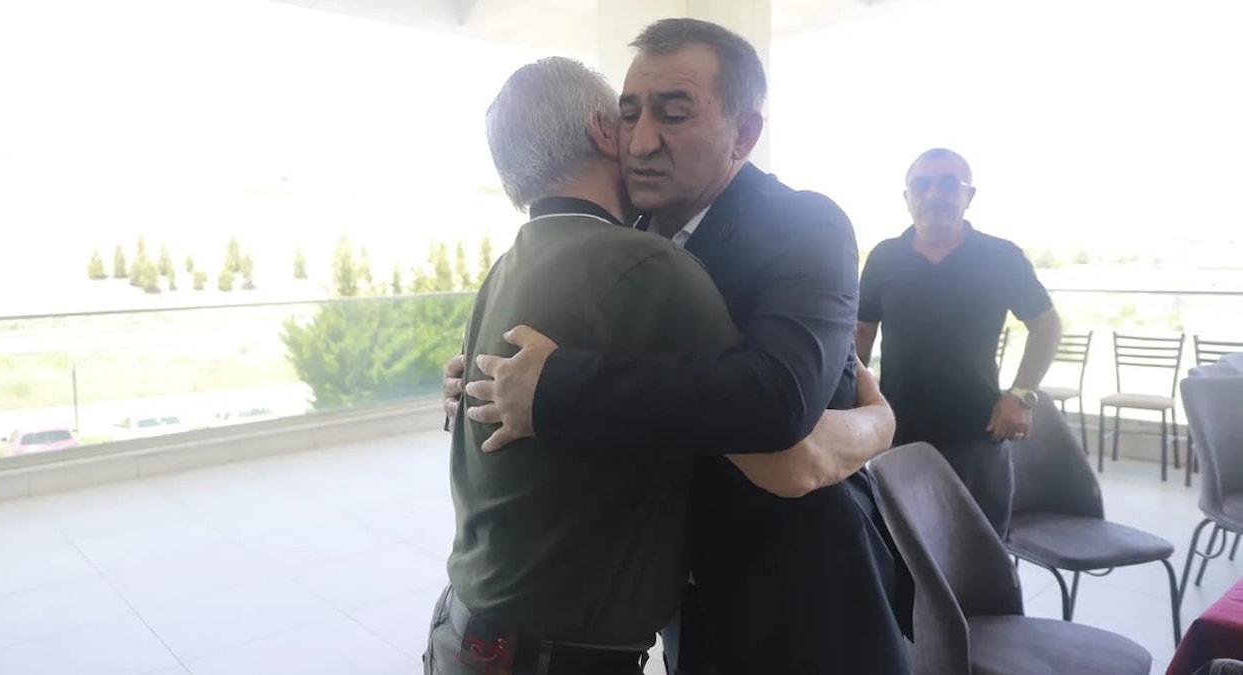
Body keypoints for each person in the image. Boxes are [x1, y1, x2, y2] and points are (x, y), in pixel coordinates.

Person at [445, 19, 913, 675]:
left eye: (673, 114)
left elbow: (777, 398)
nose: (641, 141)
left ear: (743, 135)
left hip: (801, 593)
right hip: (676, 598)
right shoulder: (627, 237)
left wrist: (552, 389)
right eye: (629, 114)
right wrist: (480, 376)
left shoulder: (802, 224)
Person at [855, 147, 1063, 537]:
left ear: (969, 195)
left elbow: (1047, 325)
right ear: (907, 197)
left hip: (978, 434)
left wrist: (1021, 395)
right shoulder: (885, 257)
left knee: (981, 551)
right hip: (898, 434)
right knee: (898, 549)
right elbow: (861, 332)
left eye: (949, 184)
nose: (934, 194)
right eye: (922, 185)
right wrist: (853, 403)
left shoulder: (1001, 256)